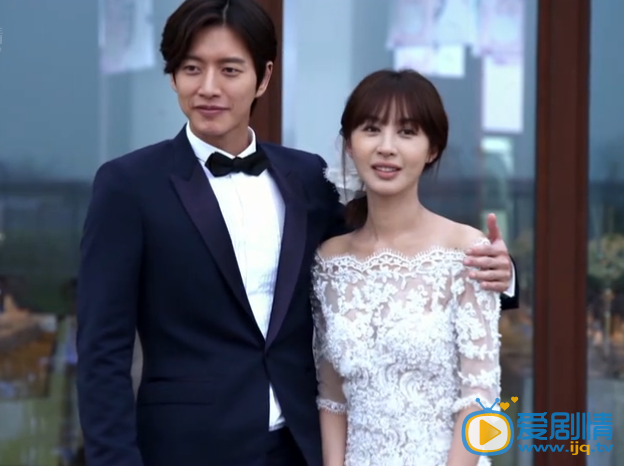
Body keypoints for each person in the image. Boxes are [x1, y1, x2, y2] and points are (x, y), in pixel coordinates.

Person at [75, 1, 517, 465]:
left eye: (229, 70)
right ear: (172, 76)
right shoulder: (129, 185)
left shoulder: (307, 178)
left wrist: (503, 275)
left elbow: (385, 258)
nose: (209, 87)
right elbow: (102, 351)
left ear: (263, 77)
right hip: (186, 449)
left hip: (302, 448)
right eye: (192, 68)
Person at [312, 68, 503, 466]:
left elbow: (480, 396)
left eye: (407, 132)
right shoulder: (329, 261)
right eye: (371, 129)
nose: (386, 147)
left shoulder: (466, 251)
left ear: (432, 149)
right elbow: (332, 398)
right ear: (349, 144)